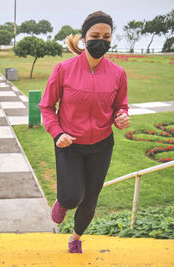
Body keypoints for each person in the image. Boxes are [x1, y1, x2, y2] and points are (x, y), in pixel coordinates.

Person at [39, 11, 130, 254]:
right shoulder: (64, 69)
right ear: (84, 37)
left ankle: (76, 237)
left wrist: (121, 117)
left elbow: (120, 106)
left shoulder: (118, 73)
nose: (101, 40)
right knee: (71, 198)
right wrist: (57, 133)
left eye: (107, 36)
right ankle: (63, 201)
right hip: (69, 143)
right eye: (96, 35)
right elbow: (47, 106)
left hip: (102, 145)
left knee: (90, 201)